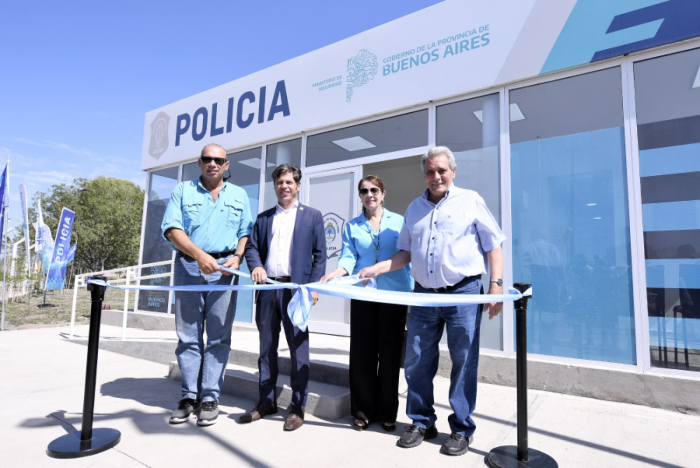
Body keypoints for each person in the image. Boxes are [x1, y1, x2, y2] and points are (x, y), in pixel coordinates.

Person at [359, 146, 505, 456]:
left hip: (464, 293)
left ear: (453, 172)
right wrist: (377, 268)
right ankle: (422, 422)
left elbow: (493, 245)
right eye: (430, 171)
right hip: (424, 295)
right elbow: (405, 254)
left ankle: (462, 428)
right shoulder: (414, 208)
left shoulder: (471, 201)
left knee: (464, 361)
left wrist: (496, 284)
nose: (435, 176)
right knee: (416, 361)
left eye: (441, 170)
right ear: (424, 175)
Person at [161, 143, 253, 426]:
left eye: (218, 160)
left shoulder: (239, 194)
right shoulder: (182, 191)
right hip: (189, 266)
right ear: (199, 163)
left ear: (226, 165)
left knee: (218, 337)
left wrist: (238, 258)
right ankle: (189, 396)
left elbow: (245, 231)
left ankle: (210, 397)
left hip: (225, 270)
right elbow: (172, 229)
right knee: (188, 336)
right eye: (207, 159)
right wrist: (199, 256)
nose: (213, 163)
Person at [320, 175, 412, 432]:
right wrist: (334, 274)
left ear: (383, 193)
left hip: (395, 296)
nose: (369, 194)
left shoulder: (400, 222)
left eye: (374, 190)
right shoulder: (352, 226)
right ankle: (362, 411)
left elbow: (408, 255)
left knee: (391, 354)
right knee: (362, 354)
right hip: (363, 296)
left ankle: (387, 412)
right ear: (359, 196)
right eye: (364, 191)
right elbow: (348, 259)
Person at [241, 164, 326, 431]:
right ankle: (266, 402)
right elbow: (252, 247)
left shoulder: (312, 216)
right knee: (266, 349)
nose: (284, 186)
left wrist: (311, 288)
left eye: (289, 182)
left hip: (296, 291)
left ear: (298, 185)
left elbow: (320, 256)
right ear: (275, 186)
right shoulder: (264, 218)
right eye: (279, 182)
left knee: (299, 350)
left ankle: (297, 407)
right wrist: (255, 265)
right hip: (267, 290)